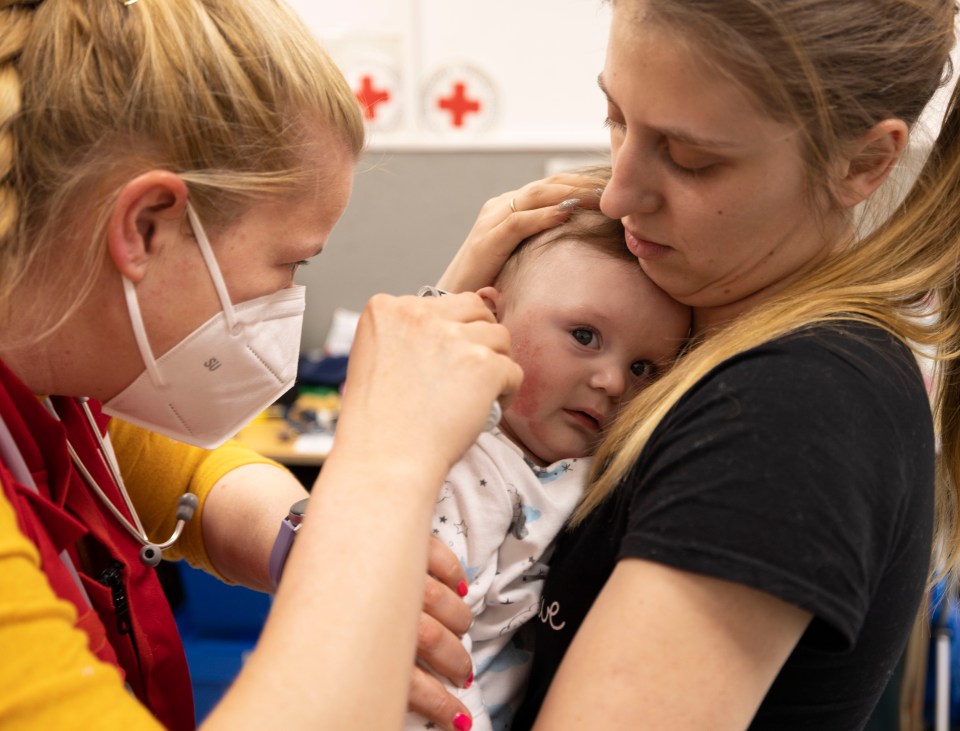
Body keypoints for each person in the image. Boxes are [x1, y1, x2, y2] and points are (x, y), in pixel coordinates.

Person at [0, 2, 530, 730]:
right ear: (146, 224)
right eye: (291, 261)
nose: (289, 296)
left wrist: (313, 543)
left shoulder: (54, 388)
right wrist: (382, 466)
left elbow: (174, 471)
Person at [431, 0, 960, 728]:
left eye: (689, 158)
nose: (617, 192)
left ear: (864, 162)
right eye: (614, 115)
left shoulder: (794, 406)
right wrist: (456, 307)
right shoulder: (697, 343)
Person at [405, 200, 691, 731]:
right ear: (493, 319)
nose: (613, 382)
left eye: (642, 367)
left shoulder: (586, 464)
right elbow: (422, 650)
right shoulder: (467, 470)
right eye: (584, 336)